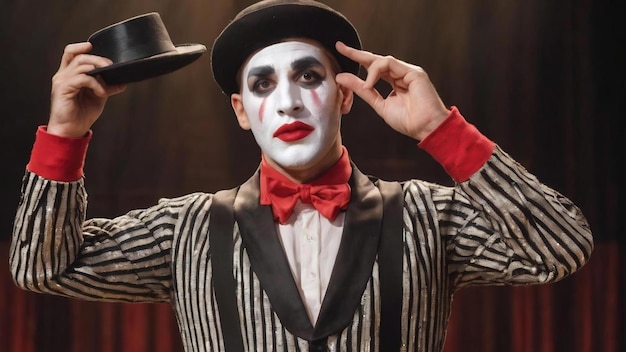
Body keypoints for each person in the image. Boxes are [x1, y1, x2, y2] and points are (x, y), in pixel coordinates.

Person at [9, 0, 593, 351]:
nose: (286, 101)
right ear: (241, 112)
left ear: (344, 96)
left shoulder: (426, 217)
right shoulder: (185, 230)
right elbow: (42, 266)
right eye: (261, 85)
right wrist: (65, 134)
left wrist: (440, 129)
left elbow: (558, 247)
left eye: (308, 76)